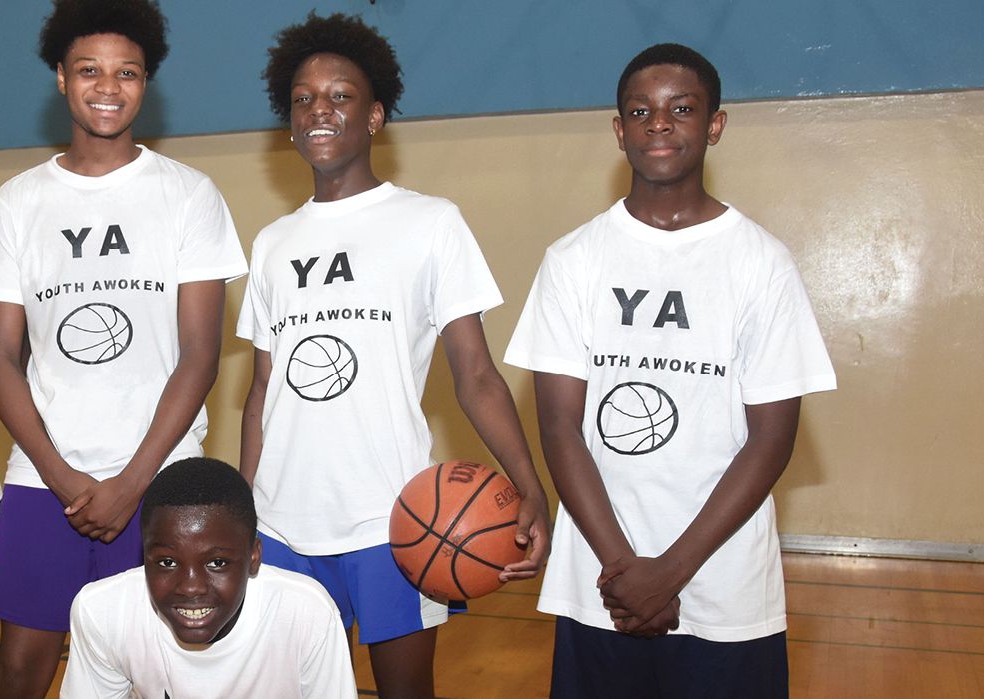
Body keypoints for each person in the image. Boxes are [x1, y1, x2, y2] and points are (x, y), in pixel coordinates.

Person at [503, 43, 838, 698]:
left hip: (724, 587)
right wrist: (624, 569)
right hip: (599, 583)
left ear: (713, 124)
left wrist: (670, 572)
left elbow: (770, 440)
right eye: (640, 110)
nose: (659, 123)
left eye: (680, 108)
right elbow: (558, 427)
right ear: (618, 129)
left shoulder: (759, 262)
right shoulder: (573, 259)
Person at [239, 13, 551, 698]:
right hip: (282, 521)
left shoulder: (429, 222)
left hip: (395, 520)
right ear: (288, 119)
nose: (319, 109)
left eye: (340, 95)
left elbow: (473, 373)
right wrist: (243, 508)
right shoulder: (271, 243)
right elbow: (261, 389)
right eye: (302, 98)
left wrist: (527, 481)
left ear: (374, 114)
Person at [0, 0, 247, 695]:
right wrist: (65, 478)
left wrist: (132, 482)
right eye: (88, 70)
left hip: (160, 481)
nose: (107, 86)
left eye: (126, 73)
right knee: (20, 667)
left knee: (164, 670)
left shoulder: (189, 194)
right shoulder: (18, 201)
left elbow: (198, 355)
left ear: (145, 82)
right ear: (60, 78)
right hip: (45, 482)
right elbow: (0, 358)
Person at [62, 457, 357, 698]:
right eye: (167, 562)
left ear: (254, 557)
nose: (191, 587)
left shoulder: (306, 615)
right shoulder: (103, 611)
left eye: (217, 563)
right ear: (144, 556)